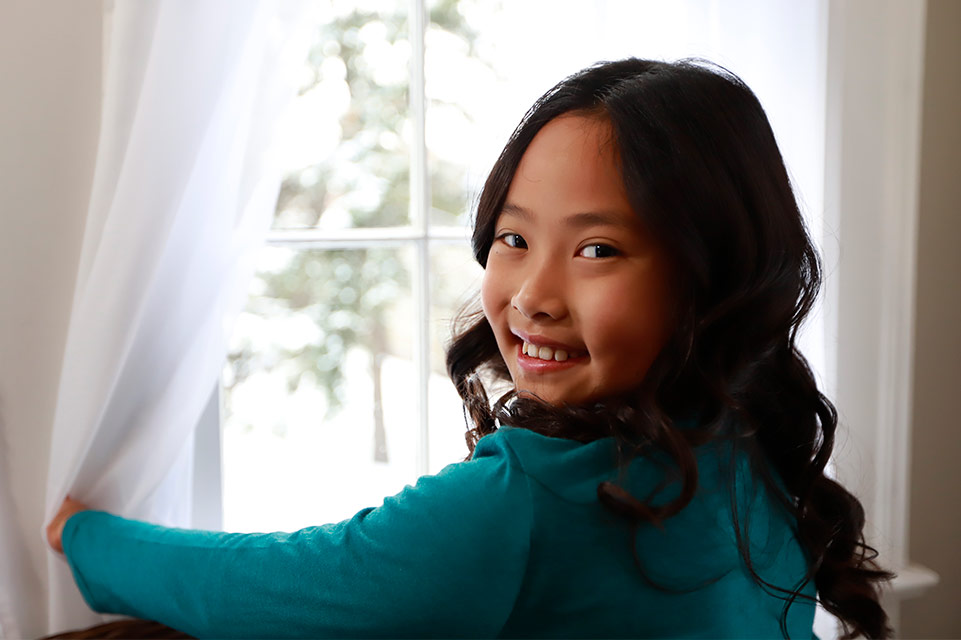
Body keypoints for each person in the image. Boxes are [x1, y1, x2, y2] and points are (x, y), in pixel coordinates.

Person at [47, 58, 892, 639]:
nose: (529, 297)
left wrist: (85, 538)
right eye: (511, 239)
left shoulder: (530, 503)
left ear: (713, 273)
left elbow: (286, 587)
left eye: (596, 250)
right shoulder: (745, 443)